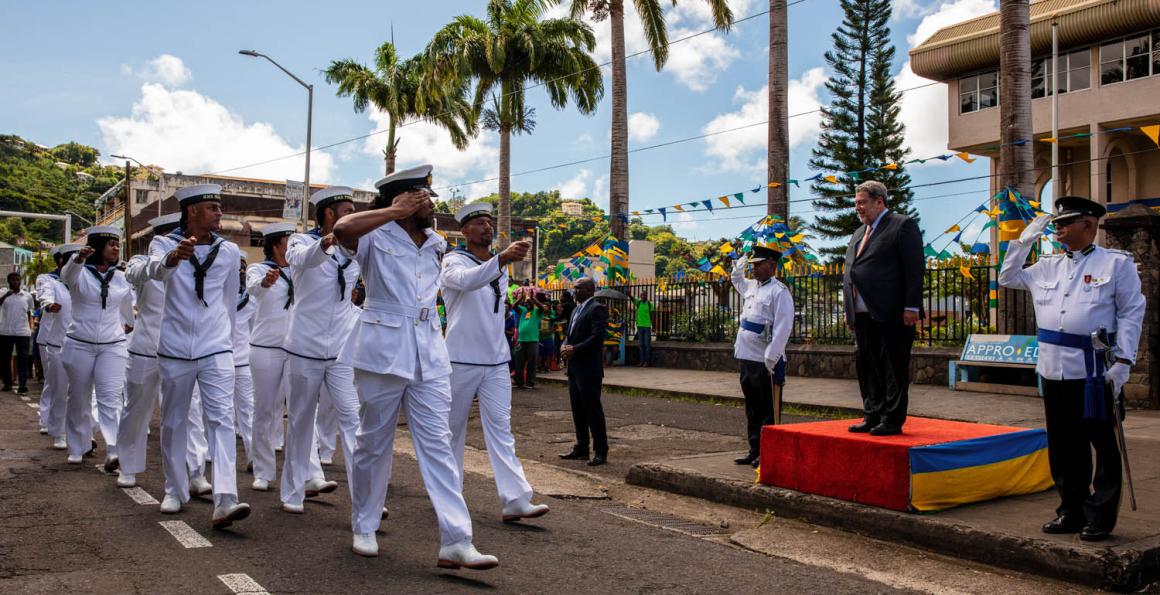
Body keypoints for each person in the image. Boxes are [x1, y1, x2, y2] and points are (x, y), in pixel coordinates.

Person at [334, 164, 497, 567]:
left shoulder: (436, 243)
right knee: (373, 442)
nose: (433, 207)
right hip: (382, 350)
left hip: (429, 351)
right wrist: (394, 212)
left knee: (439, 445)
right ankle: (365, 525)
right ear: (405, 200)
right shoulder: (373, 234)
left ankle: (456, 540)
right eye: (425, 200)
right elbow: (341, 231)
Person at [999, 197, 1145, 542]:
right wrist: (1025, 240)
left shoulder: (1116, 264)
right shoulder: (1047, 266)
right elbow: (1007, 277)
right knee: (1064, 445)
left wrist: (1123, 362)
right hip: (1053, 369)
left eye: (1067, 222)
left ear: (1089, 225)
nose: (1058, 228)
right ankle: (1071, 510)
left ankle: (1101, 516)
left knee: (1103, 445)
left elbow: (1131, 313)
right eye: (1057, 223)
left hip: (1094, 371)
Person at [441, 202, 550, 524]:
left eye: (490, 223)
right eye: (479, 223)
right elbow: (465, 282)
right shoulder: (452, 261)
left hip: (496, 360)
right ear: (464, 231)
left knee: (501, 430)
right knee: (451, 431)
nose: (487, 228)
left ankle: (515, 499)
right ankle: (448, 493)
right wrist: (501, 259)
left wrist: (500, 263)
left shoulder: (498, 266)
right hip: (459, 359)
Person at [149, 183, 250, 527]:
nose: (220, 213)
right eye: (213, 207)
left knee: (222, 420)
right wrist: (173, 258)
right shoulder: (163, 244)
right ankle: (175, 490)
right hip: (175, 349)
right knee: (174, 422)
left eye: (220, 207)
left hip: (216, 347)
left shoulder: (230, 251)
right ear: (192, 211)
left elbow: (229, 302)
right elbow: (154, 273)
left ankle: (226, 498)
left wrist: (228, 341)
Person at [279, 186, 362, 514]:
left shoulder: (354, 249)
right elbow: (300, 259)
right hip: (304, 348)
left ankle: (364, 499)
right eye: (347, 211)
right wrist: (327, 242)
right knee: (300, 421)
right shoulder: (302, 241)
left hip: (341, 349)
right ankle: (293, 492)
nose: (353, 216)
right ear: (329, 214)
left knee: (354, 422)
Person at [842, 180, 924, 436]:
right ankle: (872, 413)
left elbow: (914, 268)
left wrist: (911, 305)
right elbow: (851, 271)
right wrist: (850, 310)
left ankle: (891, 418)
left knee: (892, 366)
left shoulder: (902, 225)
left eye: (862, 202)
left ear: (880, 201)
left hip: (891, 311)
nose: (858, 208)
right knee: (867, 366)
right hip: (863, 313)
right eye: (856, 203)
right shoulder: (858, 233)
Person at [117, 213, 189, 488]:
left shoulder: (196, 264)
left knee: (187, 414)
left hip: (180, 348)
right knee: (137, 410)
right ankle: (128, 466)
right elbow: (132, 274)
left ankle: (193, 472)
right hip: (146, 346)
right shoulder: (141, 262)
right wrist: (162, 262)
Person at [249, 222, 314, 494]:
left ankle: (307, 473)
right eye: (290, 240)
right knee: (265, 410)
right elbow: (253, 287)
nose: (294, 245)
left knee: (302, 412)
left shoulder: (301, 271)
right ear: (277, 244)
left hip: (295, 348)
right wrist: (265, 283)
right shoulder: (259, 269)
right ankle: (263, 471)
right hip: (265, 348)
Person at [60, 227, 134, 469]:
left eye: (117, 244)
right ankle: (77, 446)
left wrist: (131, 324)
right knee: (79, 398)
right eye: (111, 244)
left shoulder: (121, 277)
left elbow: (127, 306)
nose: (116, 248)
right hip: (80, 344)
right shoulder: (80, 273)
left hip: (112, 345)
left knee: (110, 399)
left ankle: (113, 450)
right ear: (98, 246)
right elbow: (66, 276)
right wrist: (78, 258)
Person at [730, 245, 794, 468]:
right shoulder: (752, 286)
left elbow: (784, 327)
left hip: (766, 360)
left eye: (758, 264)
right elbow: (737, 281)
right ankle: (754, 449)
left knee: (769, 410)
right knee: (752, 407)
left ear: (772, 266)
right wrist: (738, 268)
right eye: (753, 265)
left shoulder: (779, 292)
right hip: (747, 356)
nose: (754, 268)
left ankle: (768, 453)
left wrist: (772, 356)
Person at [34, 244, 81, 450]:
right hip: (52, 340)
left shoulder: (84, 280)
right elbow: (43, 295)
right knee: (55, 385)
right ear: (62, 261)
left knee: (81, 390)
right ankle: (52, 424)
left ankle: (80, 431)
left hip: (81, 342)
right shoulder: (49, 280)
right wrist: (49, 304)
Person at [559, 277, 609, 466]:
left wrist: (575, 349)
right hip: (574, 368)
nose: (574, 291)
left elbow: (597, 338)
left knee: (592, 411)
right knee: (577, 410)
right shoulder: (576, 310)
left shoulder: (597, 309)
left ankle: (600, 451)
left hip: (588, 369)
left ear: (589, 290)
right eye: (574, 288)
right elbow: (569, 334)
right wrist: (565, 345)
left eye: (578, 288)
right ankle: (581, 447)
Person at [0, 271, 35, 395]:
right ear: (9, 281)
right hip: (6, 332)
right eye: (13, 280)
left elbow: (30, 312)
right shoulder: (3, 293)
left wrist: (31, 328)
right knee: (5, 359)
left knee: (23, 360)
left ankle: (23, 385)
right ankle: (7, 383)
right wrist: (5, 296)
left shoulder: (27, 296)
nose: (16, 282)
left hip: (22, 333)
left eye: (18, 280)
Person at [512, 288, 549, 388]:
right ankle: (519, 382)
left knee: (532, 364)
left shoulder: (537, 311)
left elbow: (543, 308)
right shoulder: (523, 311)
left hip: (533, 341)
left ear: (533, 303)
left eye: (530, 303)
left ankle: (530, 383)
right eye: (526, 303)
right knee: (519, 363)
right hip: (521, 341)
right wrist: (520, 298)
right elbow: (514, 306)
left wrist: (533, 298)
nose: (527, 304)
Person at [631, 290, 654, 367]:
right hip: (640, 327)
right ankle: (641, 361)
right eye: (641, 295)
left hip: (647, 326)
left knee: (647, 345)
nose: (643, 296)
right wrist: (629, 294)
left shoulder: (650, 304)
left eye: (644, 295)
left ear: (646, 296)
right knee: (641, 345)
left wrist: (653, 326)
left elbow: (652, 316)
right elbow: (632, 299)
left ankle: (646, 362)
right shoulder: (639, 303)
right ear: (640, 296)